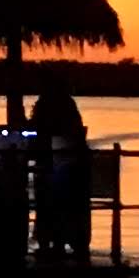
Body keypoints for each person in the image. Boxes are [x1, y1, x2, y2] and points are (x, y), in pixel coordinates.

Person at [32, 77, 89, 255]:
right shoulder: (68, 106)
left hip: (55, 169)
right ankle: (64, 240)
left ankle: (49, 241)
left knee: (47, 193)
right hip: (69, 169)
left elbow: (37, 132)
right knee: (61, 194)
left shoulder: (43, 105)